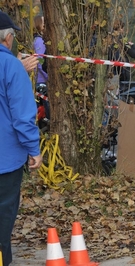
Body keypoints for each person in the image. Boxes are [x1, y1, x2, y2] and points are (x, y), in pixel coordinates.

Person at [0, 11, 43, 266]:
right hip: (5, 159)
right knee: (3, 219)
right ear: (8, 38)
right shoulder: (10, 66)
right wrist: (33, 149)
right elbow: (22, 114)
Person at [33, 15, 50, 123]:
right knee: (47, 107)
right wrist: (48, 77)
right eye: (43, 23)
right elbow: (40, 62)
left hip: (41, 79)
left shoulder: (38, 40)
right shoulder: (39, 41)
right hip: (41, 80)